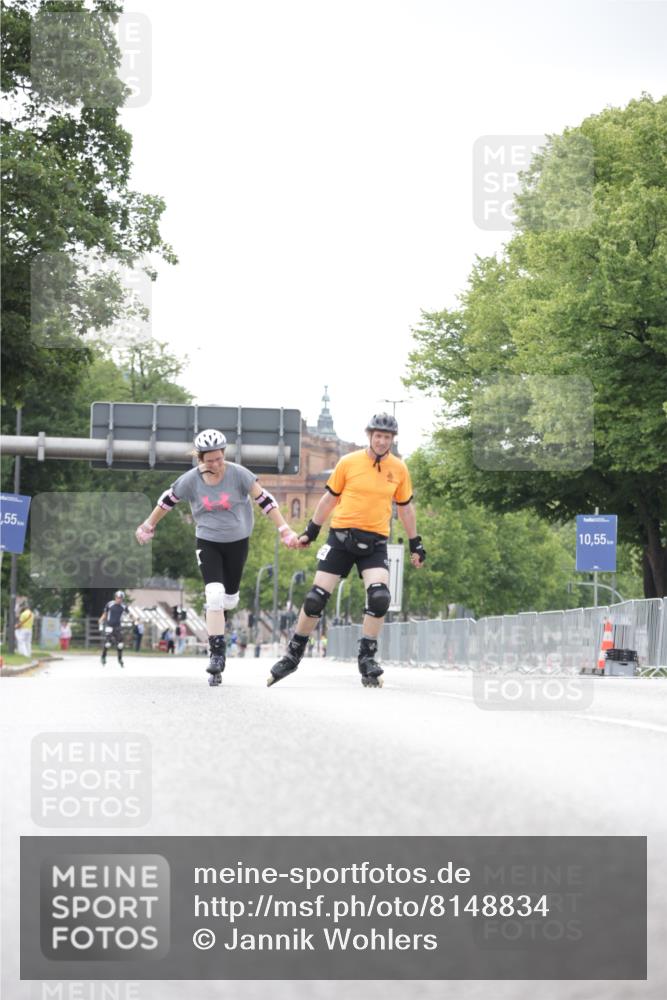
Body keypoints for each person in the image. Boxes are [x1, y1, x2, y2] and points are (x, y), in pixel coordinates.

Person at [268, 413, 426, 688]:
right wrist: (311, 532)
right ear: (369, 436)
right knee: (316, 598)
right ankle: (292, 655)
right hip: (340, 538)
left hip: (375, 542)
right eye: (378, 436)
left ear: (392, 439)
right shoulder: (348, 462)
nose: (382, 441)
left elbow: (405, 509)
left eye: (387, 437)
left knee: (379, 596)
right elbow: (328, 500)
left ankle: (367, 658)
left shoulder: (399, 469)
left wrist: (416, 543)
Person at [135, 428, 300, 687]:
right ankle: (217, 655)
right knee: (213, 594)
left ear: (224, 454)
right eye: (209, 460)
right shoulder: (191, 480)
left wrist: (284, 529)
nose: (216, 464)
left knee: (229, 600)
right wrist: (148, 525)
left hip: (238, 541)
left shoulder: (239, 474)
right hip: (208, 540)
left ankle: (220, 617)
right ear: (200, 459)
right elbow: (167, 501)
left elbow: (265, 500)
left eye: (219, 458)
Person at [98, 591, 128, 667]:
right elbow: (105, 613)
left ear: (122, 599)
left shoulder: (124, 606)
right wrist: (101, 619)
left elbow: (129, 614)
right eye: (118, 598)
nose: (119, 600)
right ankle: (103, 657)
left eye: (120, 598)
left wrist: (136, 619)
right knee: (107, 644)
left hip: (118, 627)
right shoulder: (110, 604)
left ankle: (120, 659)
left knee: (120, 645)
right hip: (109, 626)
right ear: (115, 597)